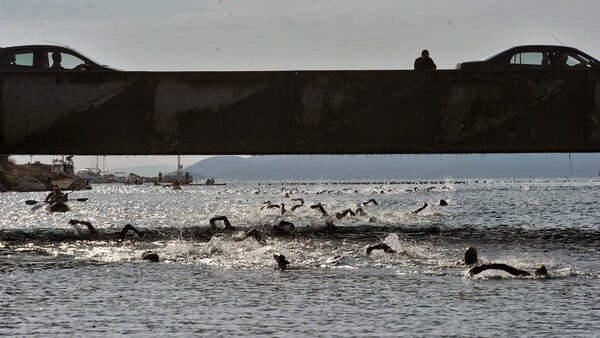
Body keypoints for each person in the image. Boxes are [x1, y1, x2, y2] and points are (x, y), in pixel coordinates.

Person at [68, 219, 145, 239]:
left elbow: (128, 226)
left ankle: (76, 221)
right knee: (89, 225)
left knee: (89, 225)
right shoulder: (120, 237)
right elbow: (128, 226)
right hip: (100, 236)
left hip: (99, 236)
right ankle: (76, 221)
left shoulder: (120, 237)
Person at [469, 263, 548, 277]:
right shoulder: (528, 276)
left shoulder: (527, 276)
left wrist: (483, 268)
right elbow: (503, 267)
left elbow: (503, 267)